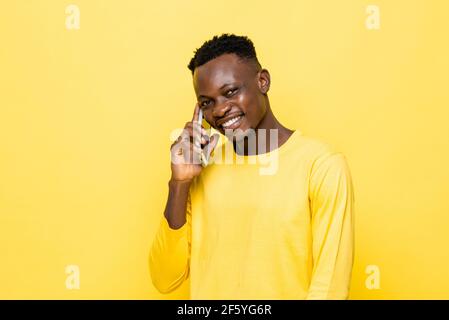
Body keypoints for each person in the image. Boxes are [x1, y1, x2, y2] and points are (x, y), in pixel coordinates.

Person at [149, 34, 355, 299]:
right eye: (207, 103)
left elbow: (329, 289)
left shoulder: (322, 166)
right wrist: (179, 184)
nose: (220, 110)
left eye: (231, 92)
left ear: (262, 81)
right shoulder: (202, 168)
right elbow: (164, 279)